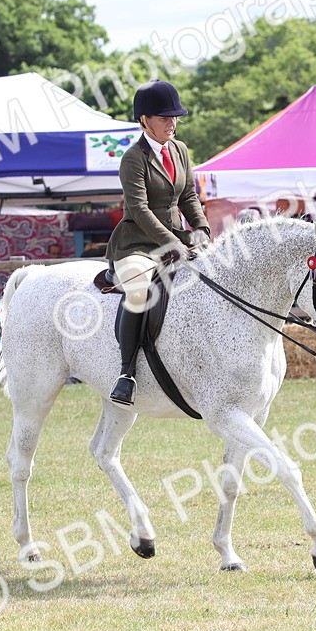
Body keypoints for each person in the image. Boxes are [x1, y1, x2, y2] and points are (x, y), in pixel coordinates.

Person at [104, 79, 211, 406]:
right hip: (136, 242)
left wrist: (201, 228)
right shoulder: (133, 158)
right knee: (139, 290)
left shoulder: (180, 150)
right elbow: (139, 209)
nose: (172, 123)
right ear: (144, 120)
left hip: (178, 237)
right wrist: (171, 242)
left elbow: (189, 196)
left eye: (175, 117)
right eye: (165, 118)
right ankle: (127, 373)